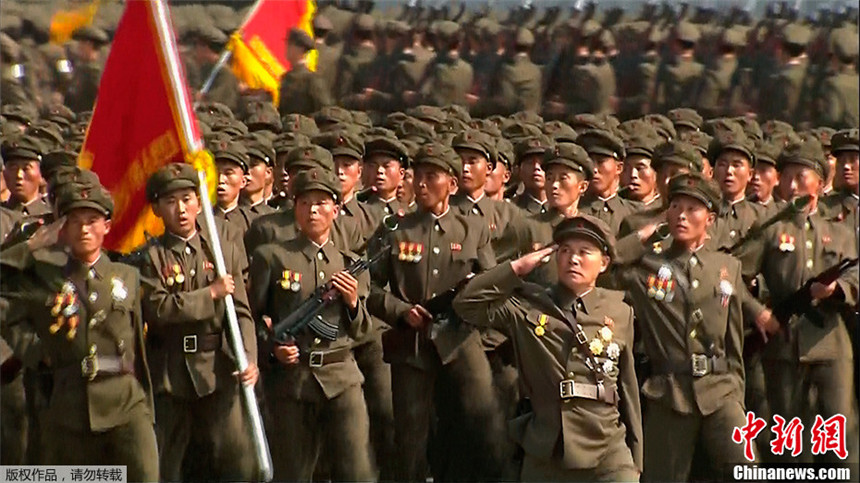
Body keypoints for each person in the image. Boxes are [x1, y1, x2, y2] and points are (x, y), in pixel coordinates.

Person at [454, 215, 642, 481]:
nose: (573, 259)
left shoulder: (620, 311)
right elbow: (466, 304)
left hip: (607, 447)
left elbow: (627, 387)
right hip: (548, 447)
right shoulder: (529, 304)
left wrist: (636, 457)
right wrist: (516, 268)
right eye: (565, 251)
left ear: (604, 263)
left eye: (584, 252)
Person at [616, 172, 770, 480]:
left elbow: (733, 341)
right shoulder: (646, 266)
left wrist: (735, 393)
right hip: (669, 393)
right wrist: (644, 235)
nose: (681, 216)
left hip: (720, 390)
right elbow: (607, 265)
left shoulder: (727, 267)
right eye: (675, 207)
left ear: (710, 218)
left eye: (692, 209)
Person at [2, 177, 158, 480]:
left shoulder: (127, 276)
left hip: (126, 403)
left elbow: (140, 344)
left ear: (107, 227)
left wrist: (147, 403)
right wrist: (35, 350)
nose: (84, 229)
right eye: (74, 221)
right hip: (70, 406)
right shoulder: (45, 275)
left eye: (92, 221)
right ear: (62, 228)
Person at [367, 142, 504, 481]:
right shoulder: (395, 230)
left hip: (460, 342)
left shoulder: (472, 229)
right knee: (410, 438)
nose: (422, 184)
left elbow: (493, 285)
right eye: (418, 176)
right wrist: (400, 310)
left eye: (433, 176)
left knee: (482, 422)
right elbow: (364, 286)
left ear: (452, 185)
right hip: (412, 346)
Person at [736, 141, 859, 465]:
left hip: (831, 342)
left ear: (820, 181)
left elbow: (856, 274)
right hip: (783, 344)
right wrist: (758, 313)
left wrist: (836, 290)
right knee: (790, 442)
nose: (792, 186)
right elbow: (728, 275)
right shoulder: (770, 227)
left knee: (841, 435)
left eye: (800, 177)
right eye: (786, 177)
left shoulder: (840, 228)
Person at [248, 168, 374, 481]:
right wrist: (272, 350)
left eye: (321, 202)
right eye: (305, 203)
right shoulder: (272, 257)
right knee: (293, 472)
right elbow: (251, 319)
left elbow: (363, 330)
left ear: (336, 208)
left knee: (356, 469)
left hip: (342, 378)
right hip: (292, 382)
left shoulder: (348, 263)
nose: (313, 210)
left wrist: (353, 302)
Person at [137, 163, 259, 480]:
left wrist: (249, 358)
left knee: (233, 460)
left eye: (188, 198)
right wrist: (211, 293)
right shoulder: (151, 258)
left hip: (218, 370)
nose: (181, 209)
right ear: (157, 209)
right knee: (169, 465)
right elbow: (159, 309)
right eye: (171, 201)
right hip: (170, 374)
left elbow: (243, 313)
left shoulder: (222, 252)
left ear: (199, 202)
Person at [578, 129, 638, 234]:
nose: (594, 169)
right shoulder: (574, 211)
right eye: (590, 162)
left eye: (600, 162)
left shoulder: (635, 213)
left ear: (619, 168)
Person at [278, 28, 333, 117]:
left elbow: (325, 111)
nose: (286, 48)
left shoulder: (312, 80)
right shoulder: (285, 77)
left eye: (289, 45)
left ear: (299, 49)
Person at [1, 135, 50, 218]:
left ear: (41, 174)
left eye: (26, 168)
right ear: (5, 174)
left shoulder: (53, 217)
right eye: (13, 168)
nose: (19, 175)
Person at [64, 26, 108, 113]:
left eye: (81, 44)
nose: (78, 48)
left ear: (89, 45)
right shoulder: (82, 68)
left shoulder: (93, 72)